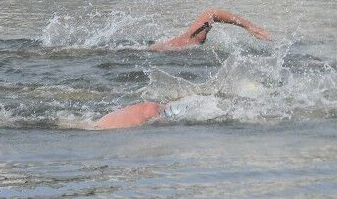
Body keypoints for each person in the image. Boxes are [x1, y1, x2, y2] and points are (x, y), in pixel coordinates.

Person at [85, 10, 273, 130]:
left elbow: (212, 14)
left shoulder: (191, 40)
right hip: (132, 54)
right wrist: (250, 26)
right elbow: (212, 13)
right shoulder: (192, 41)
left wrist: (250, 27)